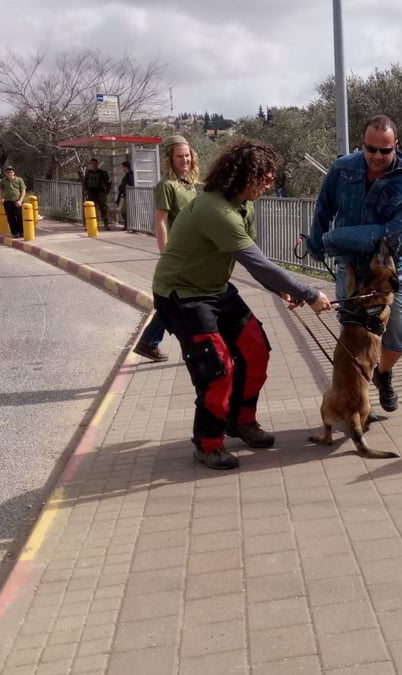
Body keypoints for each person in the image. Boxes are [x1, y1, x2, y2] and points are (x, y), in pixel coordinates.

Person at [152, 139, 333, 470]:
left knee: (255, 350)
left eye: (271, 177)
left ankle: (240, 420)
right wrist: (309, 294)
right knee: (217, 367)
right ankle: (208, 444)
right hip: (181, 295)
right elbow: (260, 264)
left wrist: (281, 290)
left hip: (215, 289)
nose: (269, 184)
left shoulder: (242, 206)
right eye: (263, 177)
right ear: (243, 176)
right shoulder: (216, 210)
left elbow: (253, 262)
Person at [307, 114, 402, 413]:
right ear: (362, 145)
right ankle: (358, 401)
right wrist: (316, 243)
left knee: (401, 330)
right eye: (370, 148)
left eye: (385, 150)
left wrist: (334, 238)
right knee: (354, 336)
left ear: (396, 147)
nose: (377, 156)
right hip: (351, 268)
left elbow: (389, 238)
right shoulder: (342, 169)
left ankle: (384, 373)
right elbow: (323, 208)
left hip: (394, 270)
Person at [133, 135, 199, 363]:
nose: (185, 160)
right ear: (170, 158)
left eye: (187, 155)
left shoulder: (189, 183)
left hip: (194, 250)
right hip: (179, 253)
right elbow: (161, 221)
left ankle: (149, 342)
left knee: (178, 299)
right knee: (184, 299)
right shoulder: (166, 185)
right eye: (180, 156)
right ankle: (193, 346)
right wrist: (166, 254)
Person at [0, 165, 27, 238]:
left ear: (14, 173)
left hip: (17, 201)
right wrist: (1, 199)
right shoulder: (3, 181)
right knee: (10, 218)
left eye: (11, 172)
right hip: (7, 202)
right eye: (7, 172)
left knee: (19, 216)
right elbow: (0, 190)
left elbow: (23, 191)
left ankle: (22, 231)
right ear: (5, 173)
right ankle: (15, 232)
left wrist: (20, 201)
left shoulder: (19, 180)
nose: (9, 173)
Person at [82, 158, 112, 230]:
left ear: (97, 164)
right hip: (91, 193)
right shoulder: (88, 173)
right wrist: (85, 191)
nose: (93, 165)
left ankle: (106, 224)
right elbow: (85, 183)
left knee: (103, 209)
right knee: (91, 209)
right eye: (92, 164)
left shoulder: (102, 173)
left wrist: (106, 192)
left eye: (94, 163)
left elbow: (109, 182)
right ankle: (92, 225)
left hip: (100, 193)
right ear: (90, 165)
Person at [114, 160, 134, 230]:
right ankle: (128, 225)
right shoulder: (125, 177)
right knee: (124, 212)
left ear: (125, 167)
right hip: (126, 196)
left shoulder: (131, 176)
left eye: (123, 167)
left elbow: (131, 185)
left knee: (124, 212)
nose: (122, 169)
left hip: (130, 196)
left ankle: (128, 225)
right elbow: (121, 189)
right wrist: (118, 199)